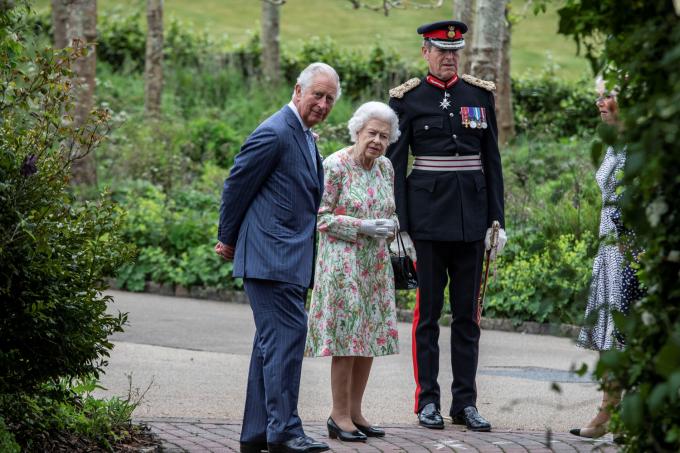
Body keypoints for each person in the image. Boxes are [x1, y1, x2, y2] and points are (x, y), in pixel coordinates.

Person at [385, 20, 506, 432]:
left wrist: (496, 221)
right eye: (441, 50)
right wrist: (401, 226)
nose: (449, 56)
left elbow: (492, 164)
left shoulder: (479, 95)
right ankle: (428, 401)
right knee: (428, 317)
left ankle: (465, 403)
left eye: (455, 51)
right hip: (427, 224)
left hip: (472, 222)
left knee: (468, 318)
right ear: (426, 52)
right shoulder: (407, 100)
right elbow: (396, 166)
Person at [215, 62, 340, 453]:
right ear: (297, 90)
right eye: (317, 94)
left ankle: (256, 434)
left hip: (287, 258)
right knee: (287, 339)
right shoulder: (274, 131)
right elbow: (237, 183)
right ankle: (284, 431)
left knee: (270, 346)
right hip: (270, 258)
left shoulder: (304, 135)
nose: (322, 103)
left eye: (329, 99)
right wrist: (227, 238)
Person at [305, 101, 401, 443]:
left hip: (374, 266)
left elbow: (389, 209)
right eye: (372, 133)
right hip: (343, 265)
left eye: (384, 136)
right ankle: (338, 414)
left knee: (370, 338)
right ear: (357, 131)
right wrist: (362, 225)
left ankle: (356, 412)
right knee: (347, 339)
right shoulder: (335, 165)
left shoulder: (386, 167)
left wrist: (390, 226)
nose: (377, 141)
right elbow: (320, 217)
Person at [570, 77, 643, 439]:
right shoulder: (615, 142)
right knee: (610, 335)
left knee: (630, 334)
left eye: (608, 96)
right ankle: (607, 411)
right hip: (610, 250)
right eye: (598, 96)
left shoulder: (643, 146)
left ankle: (636, 415)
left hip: (634, 251)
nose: (600, 102)